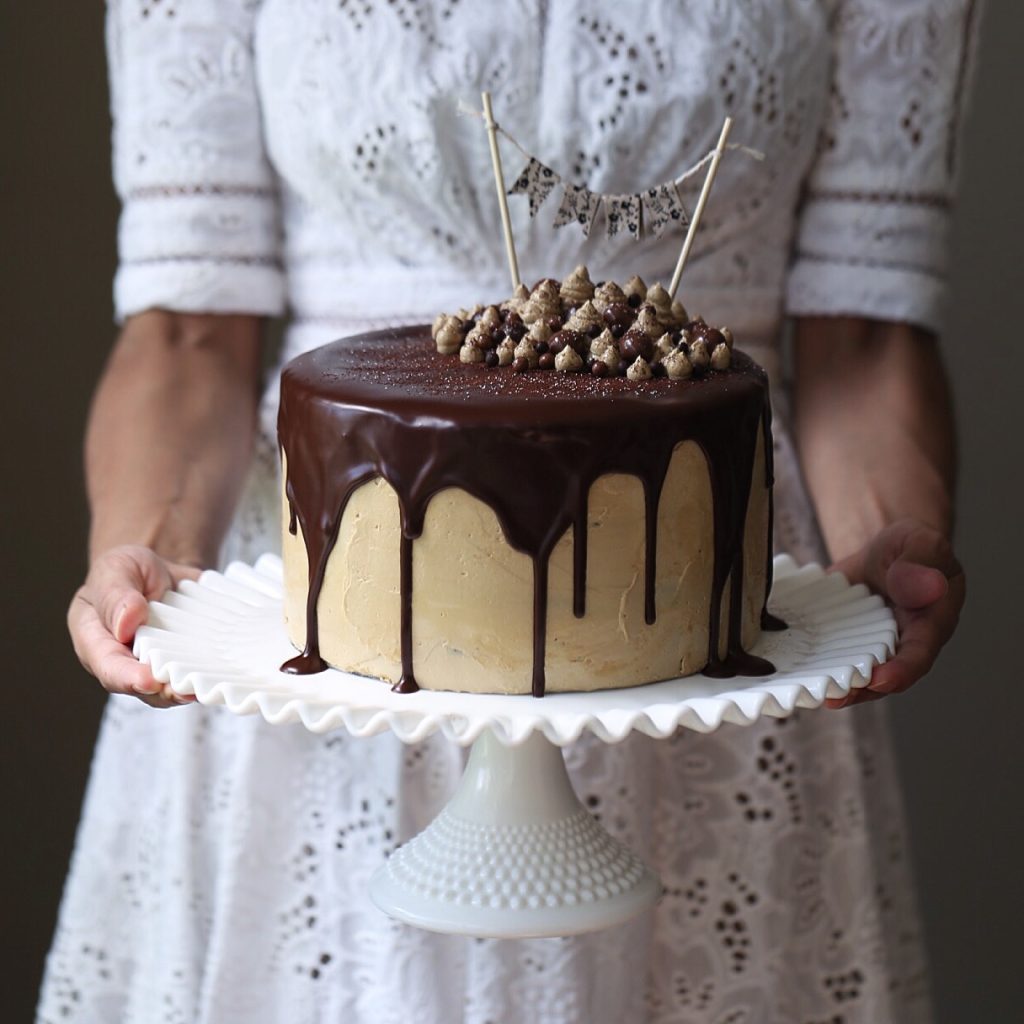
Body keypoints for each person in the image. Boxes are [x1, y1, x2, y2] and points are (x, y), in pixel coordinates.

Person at [41, 2, 971, 1021]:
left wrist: (889, 547)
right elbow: (184, 328)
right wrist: (148, 556)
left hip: (702, 618)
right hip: (331, 602)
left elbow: (868, 331)